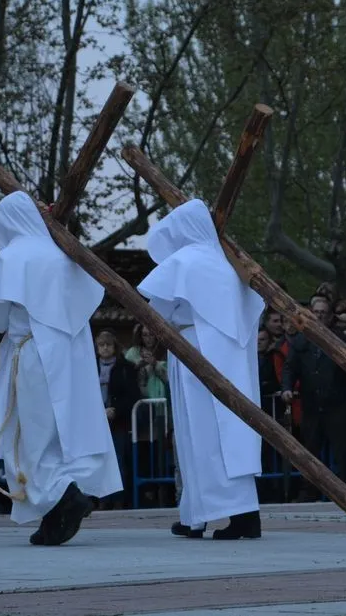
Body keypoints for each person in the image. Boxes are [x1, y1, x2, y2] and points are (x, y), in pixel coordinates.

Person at [0, 191, 122, 546]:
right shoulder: (65, 256)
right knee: (64, 431)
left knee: (32, 436)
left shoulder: (12, 257)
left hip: (31, 354)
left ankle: (62, 496)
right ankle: (55, 515)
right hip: (72, 357)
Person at [137, 199, 266, 540]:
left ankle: (217, 515)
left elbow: (155, 308)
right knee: (230, 433)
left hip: (194, 351)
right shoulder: (228, 266)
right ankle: (221, 513)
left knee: (200, 433)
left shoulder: (187, 261)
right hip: (227, 357)